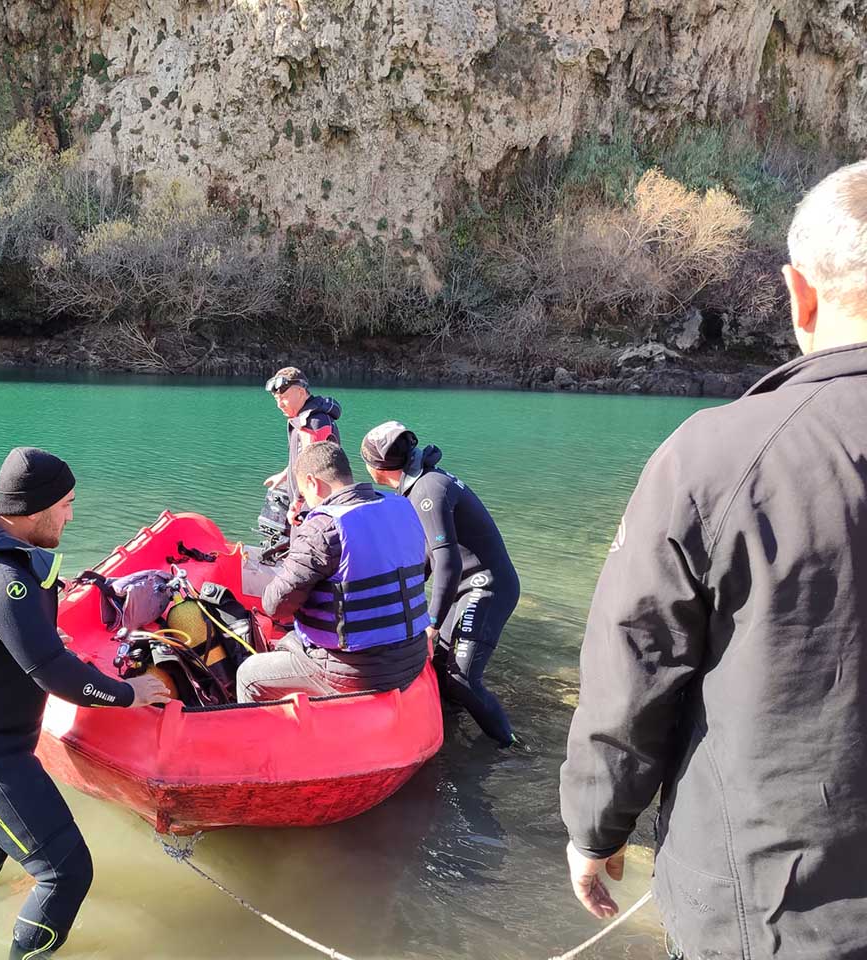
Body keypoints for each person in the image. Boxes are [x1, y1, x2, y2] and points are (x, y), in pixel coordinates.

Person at [559, 161, 867, 959]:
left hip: (772, 915)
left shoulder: (718, 457)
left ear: (800, 295)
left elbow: (634, 667)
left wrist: (596, 829)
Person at [0, 447, 171, 960]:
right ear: (36, 510)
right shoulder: (4, 580)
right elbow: (57, 675)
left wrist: (38, 621)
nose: (72, 515)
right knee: (65, 873)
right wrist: (131, 694)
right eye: (66, 505)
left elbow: (3, 627)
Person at [360, 422, 520, 747]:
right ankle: (452, 738)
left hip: (487, 588)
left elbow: (447, 563)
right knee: (438, 664)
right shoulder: (422, 483)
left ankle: (511, 745)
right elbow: (430, 557)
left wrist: (431, 623)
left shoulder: (428, 491)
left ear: (377, 467)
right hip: (467, 585)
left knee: (462, 679)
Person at [237, 441, 430, 702]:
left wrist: (299, 544)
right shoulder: (402, 506)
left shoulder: (323, 528)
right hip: (413, 657)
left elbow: (275, 606)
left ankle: (260, 739)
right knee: (290, 641)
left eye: (304, 495)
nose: (306, 504)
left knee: (248, 674)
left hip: (358, 671)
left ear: (312, 482)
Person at [261, 366, 342, 525]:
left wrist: (296, 505)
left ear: (301, 392)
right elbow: (302, 456)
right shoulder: (306, 418)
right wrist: (286, 473)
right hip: (309, 501)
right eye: (276, 399)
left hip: (314, 506)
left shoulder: (313, 423)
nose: (280, 405)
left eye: (283, 397)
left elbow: (311, 469)